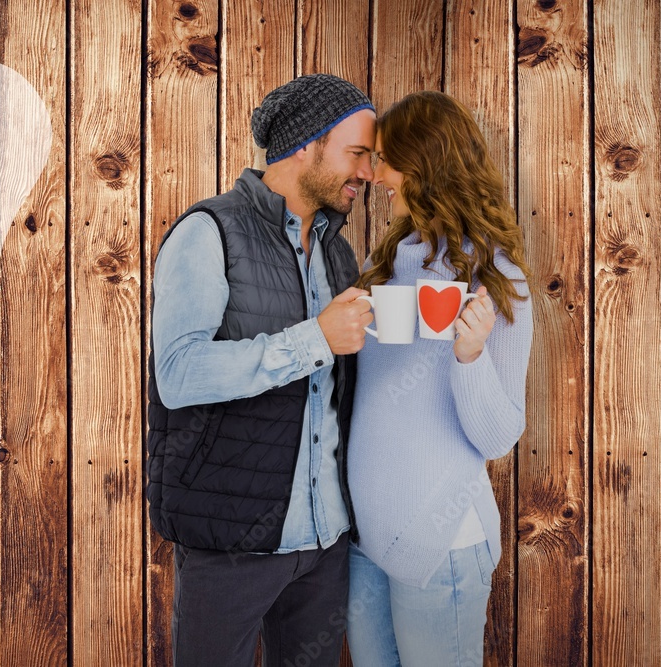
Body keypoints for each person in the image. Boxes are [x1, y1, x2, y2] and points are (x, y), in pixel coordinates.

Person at [146, 73, 376, 666]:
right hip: (230, 542)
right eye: (357, 154)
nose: (368, 174)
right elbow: (178, 373)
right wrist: (312, 341)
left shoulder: (337, 250)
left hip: (325, 542)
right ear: (307, 145)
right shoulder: (208, 233)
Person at [345, 90, 533, 666]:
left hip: (442, 543)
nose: (375, 176)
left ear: (423, 165)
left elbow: (500, 437)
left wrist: (470, 355)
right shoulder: (390, 256)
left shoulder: (496, 275)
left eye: (384, 160)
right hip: (367, 540)